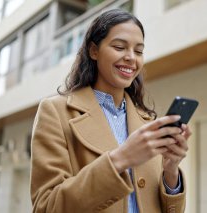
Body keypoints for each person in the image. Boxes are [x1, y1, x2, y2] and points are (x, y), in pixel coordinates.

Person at [30, 9, 191, 213]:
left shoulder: (148, 122)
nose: (131, 58)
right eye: (119, 47)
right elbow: (46, 207)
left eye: (139, 51)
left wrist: (171, 171)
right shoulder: (55, 111)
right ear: (93, 51)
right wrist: (120, 159)